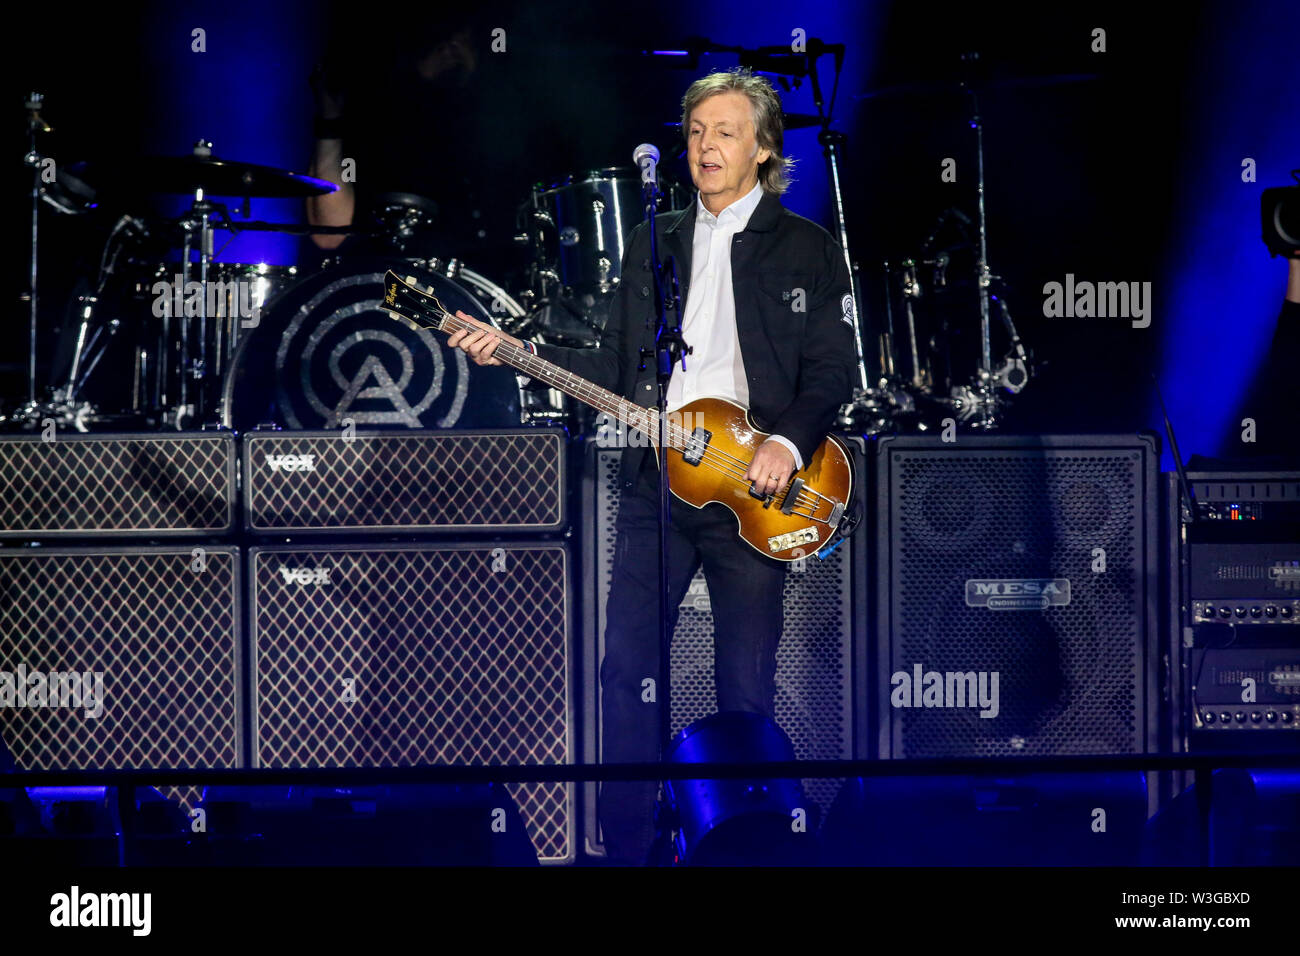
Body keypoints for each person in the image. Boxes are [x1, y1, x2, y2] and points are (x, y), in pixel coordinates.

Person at [448, 67, 857, 864]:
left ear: (764, 149)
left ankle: (749, 849)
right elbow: (609, 363)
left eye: (726, 132)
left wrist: (784, 443)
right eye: (697, 131)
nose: (705, 147)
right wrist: (520, 355)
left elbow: (835, 371)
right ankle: (625, 849)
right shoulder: (655, 237)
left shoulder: (807, 247)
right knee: (625, 674)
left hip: (756, 488)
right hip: (656, 484)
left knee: (745, 688)